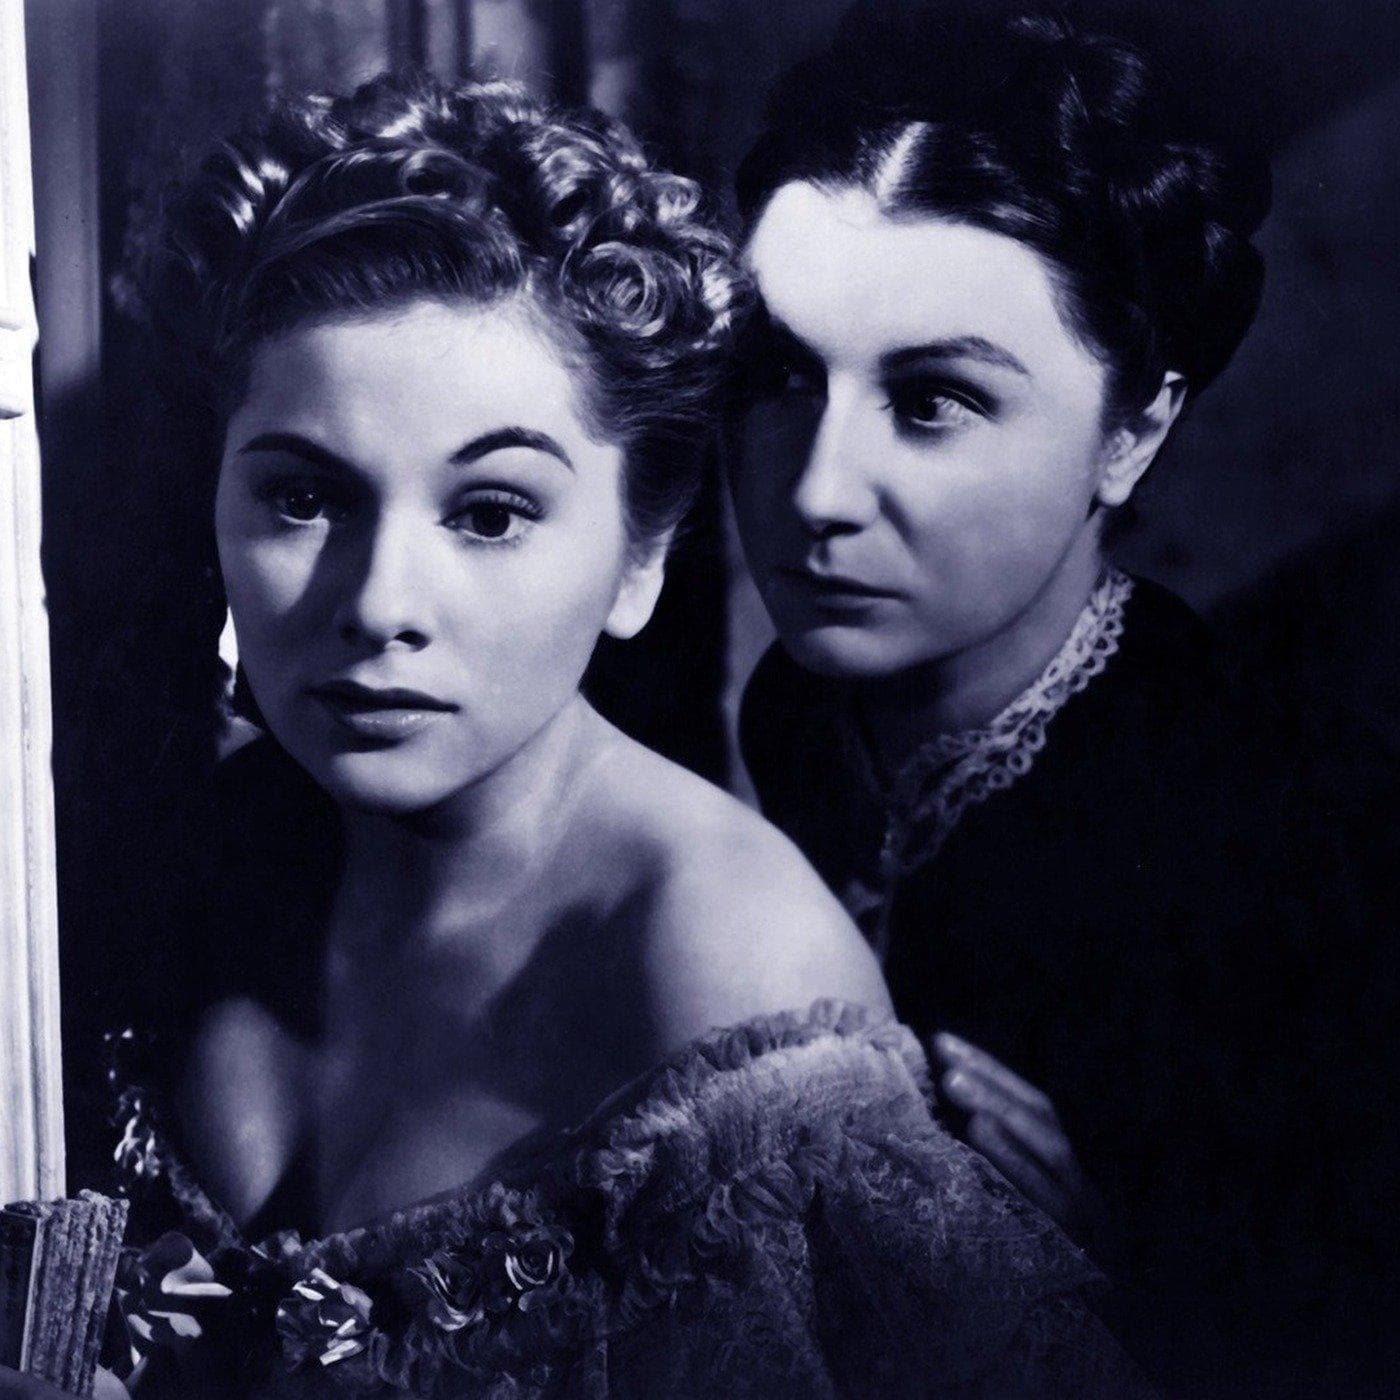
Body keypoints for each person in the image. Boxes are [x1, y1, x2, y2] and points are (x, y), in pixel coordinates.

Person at [0, 71, 1150, 1400]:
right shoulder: (186, 842)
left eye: (489, 513)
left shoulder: (719, 964)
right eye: (305, 498)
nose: (378, 606)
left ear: (641, 557)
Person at [731, 4, 1398, 1393]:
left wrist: (1119, 1275)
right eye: (783, 375)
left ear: (1132, 430)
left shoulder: (1273, 834)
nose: (817, 493)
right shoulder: (799, 708)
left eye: (932, 401)